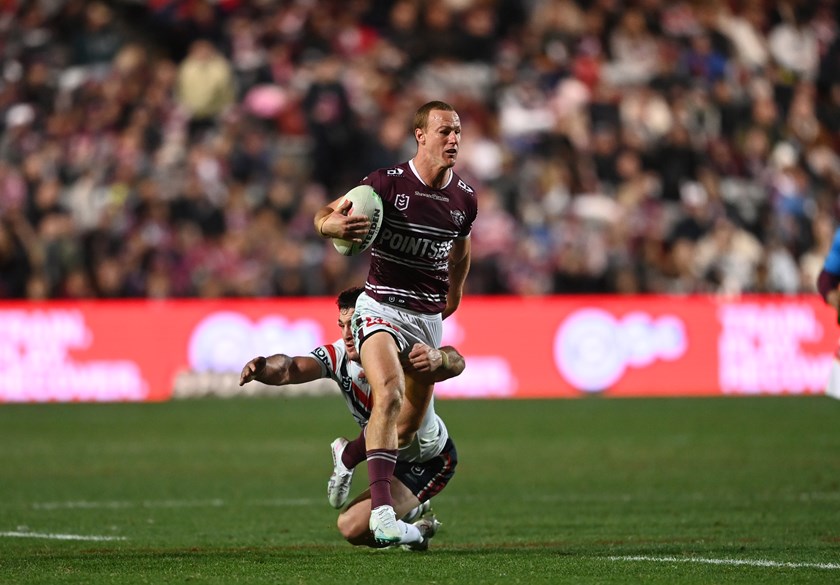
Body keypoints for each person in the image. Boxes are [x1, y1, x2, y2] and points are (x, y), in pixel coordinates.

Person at [312, 100, 477, 544]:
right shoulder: (384, 184)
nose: (454, 139)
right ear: (420, 135)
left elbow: (460, 251)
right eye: (444, 131)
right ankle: (384, 514)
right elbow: (323, 216)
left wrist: (455, 293)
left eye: (458, 131)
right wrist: (332, 229)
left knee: (405, 428)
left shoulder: (464, 199)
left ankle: (350, 455)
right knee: (388, 392)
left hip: (425, 320)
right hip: (379, 307)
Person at [239, 286, 465, 550]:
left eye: (355, 323)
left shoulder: (401, 348)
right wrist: (264, 367)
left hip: (427, 460)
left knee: (400, 429)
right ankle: (417, 531)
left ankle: (351, 455)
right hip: (385, 455)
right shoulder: (338, 356)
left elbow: (456, 361)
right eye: (341, 325)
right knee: (351, 529)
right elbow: (291, 367)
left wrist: (441, 359)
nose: (347, 334)